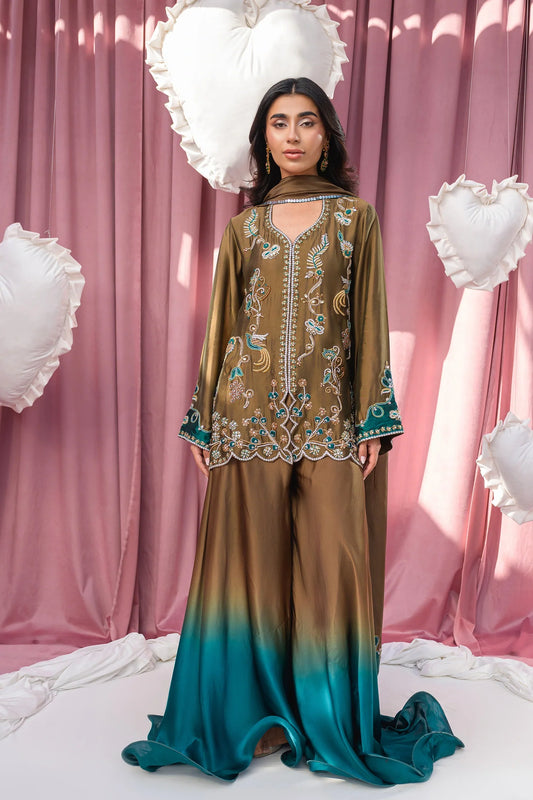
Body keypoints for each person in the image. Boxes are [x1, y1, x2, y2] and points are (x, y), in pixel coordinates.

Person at [122, 77, 463, 784]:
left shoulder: (355, 220)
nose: (293, 135)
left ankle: (324, 717)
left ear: (326, 136)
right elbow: (222, 327)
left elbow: (368, 319)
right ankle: (253, 718)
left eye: (307, 122)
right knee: (247, 574)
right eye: (279, 124)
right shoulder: (243, 229)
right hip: (245, 420)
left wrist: (372, 418)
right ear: (265, 141)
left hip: (331, 419)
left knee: (330, 569)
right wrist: (204, 420)